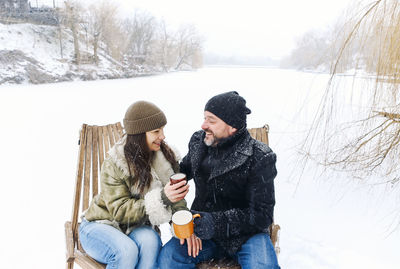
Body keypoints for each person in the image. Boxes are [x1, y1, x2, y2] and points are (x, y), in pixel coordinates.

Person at [159, 91, 280, 269]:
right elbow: (182, 171)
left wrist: (215, 223)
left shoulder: (260, 156)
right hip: (201, 231)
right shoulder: (199, 142)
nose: (203, 125)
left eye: (211, 120)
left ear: (232, 126)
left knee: (263, 266)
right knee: (169, 259)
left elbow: (262, 215)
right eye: (204, 118)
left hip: (247, 236)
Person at [78, 101, 189, 269]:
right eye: (156, 131)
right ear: (139, 134)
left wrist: (183, 224)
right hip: (99, 225)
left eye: (162, 130)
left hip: (133, 228)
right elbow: (119, 210)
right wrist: (162, 198)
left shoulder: (165, 158)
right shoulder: (116, 163)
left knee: (151, 241)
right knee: (126, 251)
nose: (163, 136)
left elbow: (176, 198)